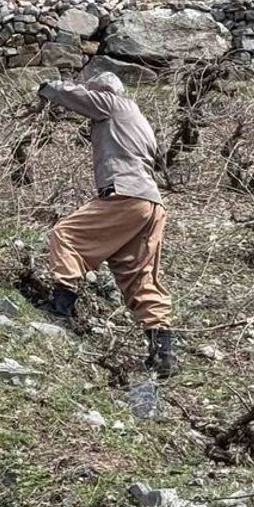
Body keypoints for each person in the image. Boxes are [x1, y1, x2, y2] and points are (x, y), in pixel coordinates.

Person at [37, 72, 179, 378]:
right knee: (138, 276)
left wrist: (48, 88)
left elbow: (75, 96)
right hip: (151, 205)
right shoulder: (140, 121)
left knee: (66, 235)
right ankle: (162, 351)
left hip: (126, 195)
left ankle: (60, 307)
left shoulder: (115, 105)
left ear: (104, 93)